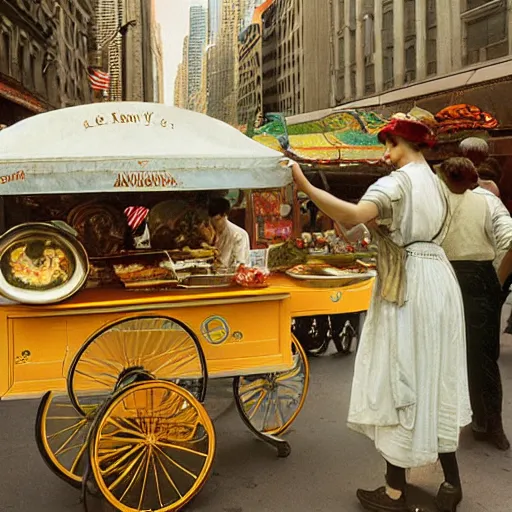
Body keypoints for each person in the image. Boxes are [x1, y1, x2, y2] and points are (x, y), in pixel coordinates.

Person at [287, 111, 471, 512]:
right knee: (435, 378)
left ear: (406, 143)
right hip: (439, 282)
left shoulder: (397, 183)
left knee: (399, 379)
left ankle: (394, 493)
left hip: (409, 285)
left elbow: (353, 217)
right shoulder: (438, 186)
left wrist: (301, 182)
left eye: (390, 144)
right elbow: (363, 227)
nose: (386, 154)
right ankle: (451, 485)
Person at [436, 157, 510, 451]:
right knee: (483, 357)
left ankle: (452, 422)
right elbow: (509, 238)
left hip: (445, 275)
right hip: (479, 278)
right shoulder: (487, 201)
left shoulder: (437, 199)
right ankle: (491, 424)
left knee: (442, 355)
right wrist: (498, 279)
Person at [208, 197, 250, 269]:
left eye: (217, 220)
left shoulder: (238, 235)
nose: (214, 224)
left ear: (225, 216)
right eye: (211, 221)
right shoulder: (210, 232)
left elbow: (239, 264)